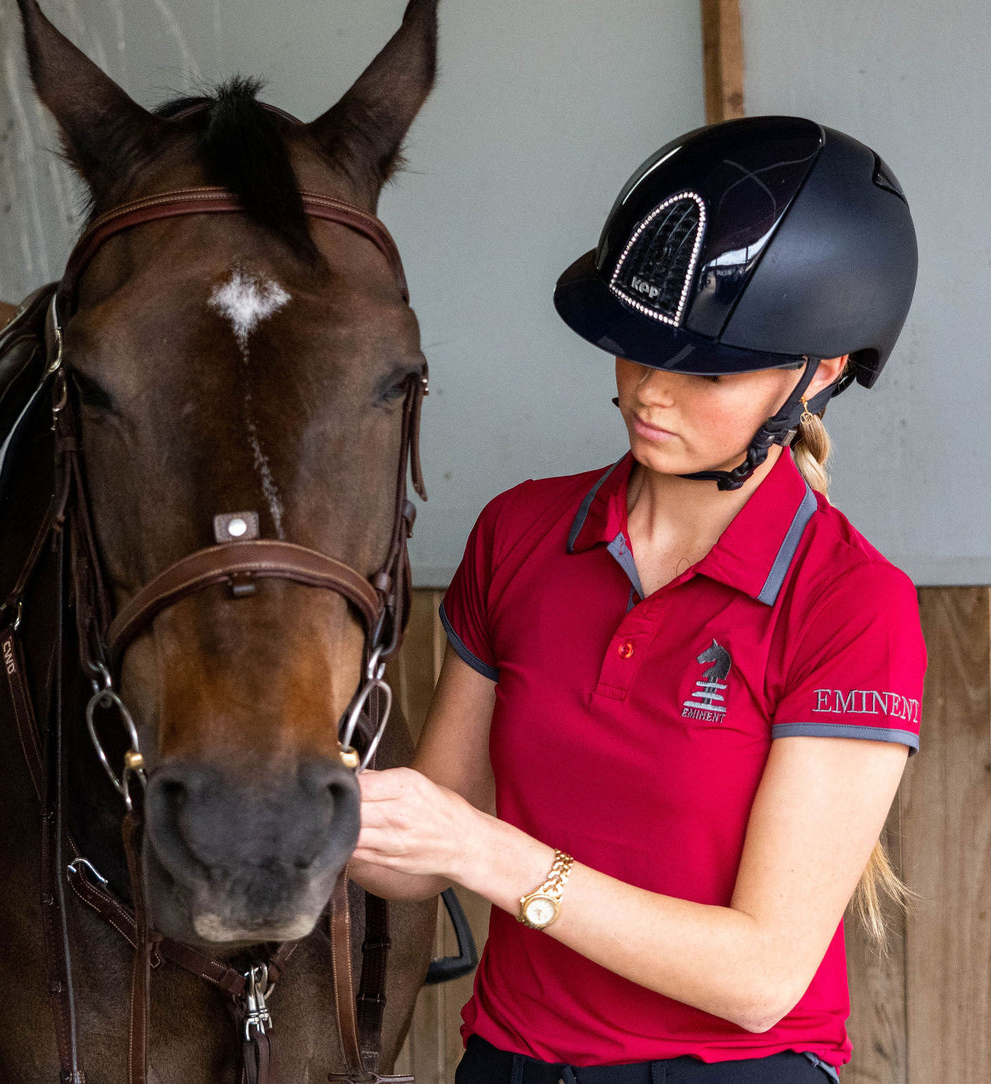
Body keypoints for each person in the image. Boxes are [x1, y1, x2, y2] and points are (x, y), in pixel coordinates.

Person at [351, 115, 925, 1083]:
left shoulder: (851, 604)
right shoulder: (520, 536)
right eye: (635, 347)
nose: (649, 391)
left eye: (702, 369)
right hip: (510, 1063)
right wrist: (289, 800)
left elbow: (759, 974)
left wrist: (486, 853)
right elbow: (419, 854)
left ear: (819, 372)